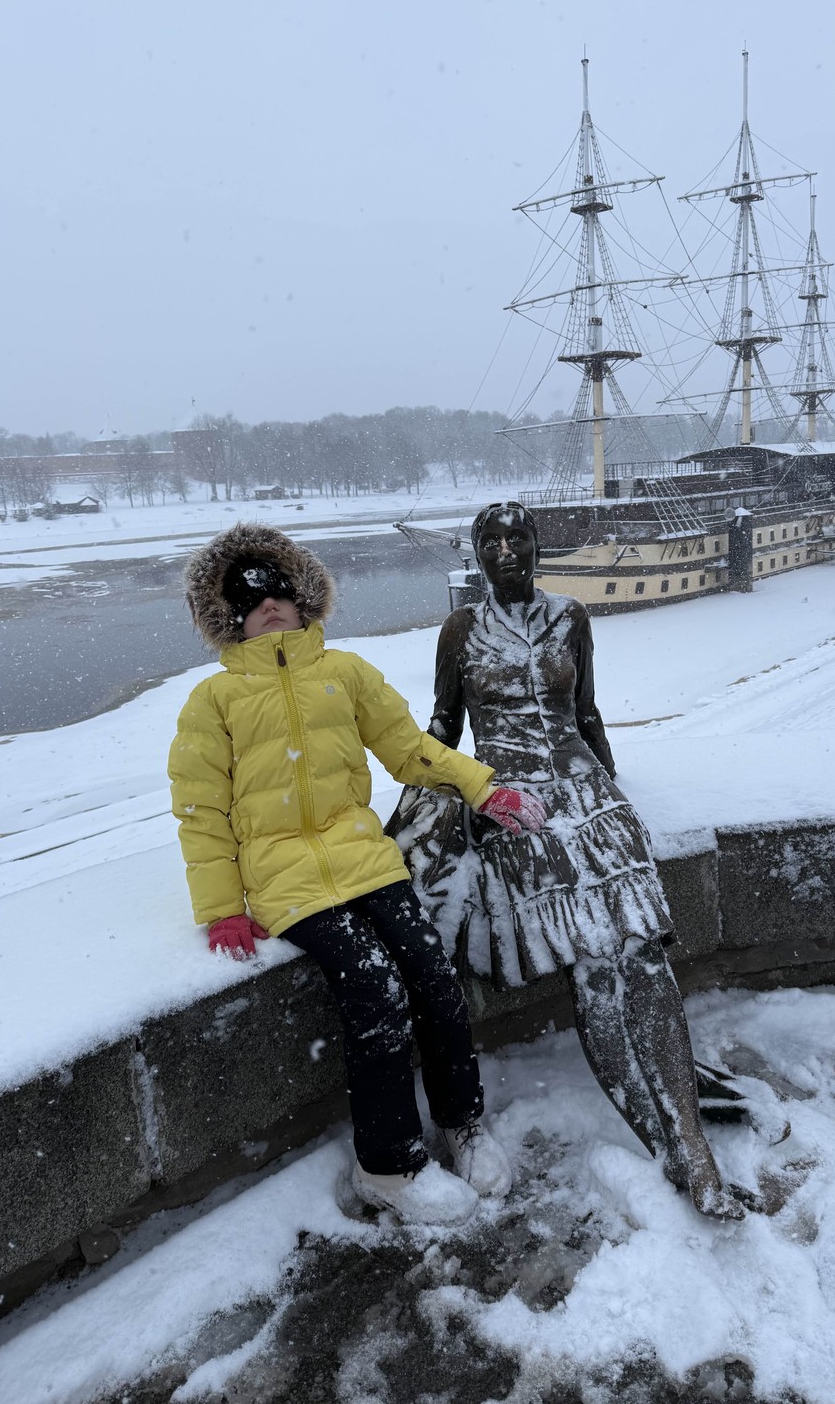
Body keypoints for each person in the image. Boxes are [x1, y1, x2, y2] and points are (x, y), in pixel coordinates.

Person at [168, 523, 546, 1227]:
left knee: (433, 977)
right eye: (251, 599)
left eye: (280, 590)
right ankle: (390, 1166)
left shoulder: (344, 674)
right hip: (288, 885)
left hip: (367, 862)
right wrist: (221, 906)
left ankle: (462, 1125)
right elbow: (202, 813)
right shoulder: (212, 704)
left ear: (304, 599)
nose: (269, 606)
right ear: (228, 617)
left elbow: (409, 751)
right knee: (374, 991)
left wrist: (482, 788)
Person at [387, 502, 744, 1221]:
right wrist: (427, 801)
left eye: (518, 537)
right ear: (478, 554)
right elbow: (444, 725)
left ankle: (692, 1147)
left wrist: (611, 784)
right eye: (491, 539)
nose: (506, 549)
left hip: (586, 793)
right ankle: (666, 1138)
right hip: (513, 798)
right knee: (594, 963)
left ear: (537, 548)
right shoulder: (462, 630)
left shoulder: (570, 617)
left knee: (642, 955)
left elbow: (586, 713)